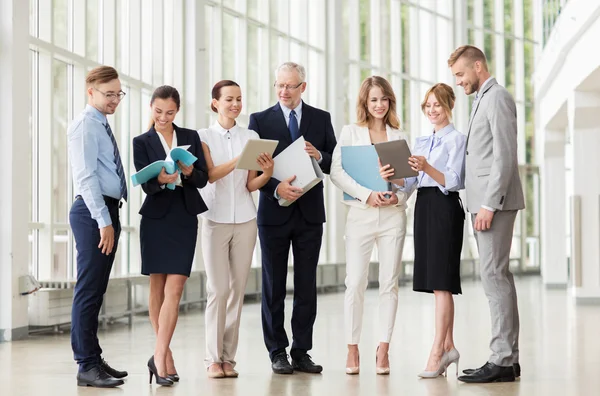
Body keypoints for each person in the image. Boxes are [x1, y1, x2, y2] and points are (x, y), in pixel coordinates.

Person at [248, 62, 337, 374]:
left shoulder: (321, 118)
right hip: (273, 213)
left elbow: (333, 162)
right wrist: (277, 188)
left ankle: (301, 351)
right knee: (273, 285)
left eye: (290, 85)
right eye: (279, 85)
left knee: (306, 286)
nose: (284, 91)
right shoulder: (259, 120)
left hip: (310, 214)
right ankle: (277, 352)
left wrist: (319, 156)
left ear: (303, 86)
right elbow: (253, 169)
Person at [448, 45, 525, 383]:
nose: (458, 82)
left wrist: (488, 205)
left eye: (461, 75)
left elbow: (504, 157)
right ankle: (507, 357)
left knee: (494, 277)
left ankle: (503, 360)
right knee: (496, 277)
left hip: (495, 204)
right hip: (485, 203)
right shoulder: (483, 98)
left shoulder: (497, 97)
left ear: (478, 66)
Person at [381, 83, 466, 378]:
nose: (432, 110)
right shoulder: (420, 141)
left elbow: (454, 180)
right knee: (437, 284)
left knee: (443, 283)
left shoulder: (457, 139)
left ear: (449, 106)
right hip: (424, 207)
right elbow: (409, 184)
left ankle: (437, 351)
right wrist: (392, 179)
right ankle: (449, 346)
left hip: (445, 207)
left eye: (438, 105)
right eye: (428, 105)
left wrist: (427, 167)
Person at [330, 76, 408, 375]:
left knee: (389, 283)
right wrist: (368, 195)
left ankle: (383, 349)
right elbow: (337, 172)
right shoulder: (350, 133)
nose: (379, 105)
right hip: (361, 215)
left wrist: (397, 195)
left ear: (390, 102)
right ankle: (352, 349)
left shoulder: (399, 135)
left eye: (384, 99)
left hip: (392, 216)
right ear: (365, 102)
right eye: (373, 99)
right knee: (355, 283)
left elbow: (410, 179)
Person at [132, 85, 209, 386]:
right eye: (158, 111)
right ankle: (166, 357)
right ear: (151, 107)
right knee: (157, 286)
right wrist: (161, 180)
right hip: (156, 218)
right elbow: (145, 183)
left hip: (184, 217)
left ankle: (159, 355)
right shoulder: (141, 141)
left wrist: (188, 172)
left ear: (178, 111)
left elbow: (202, 179)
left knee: (174, 289)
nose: (163, 117)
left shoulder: (190, 137)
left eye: (170, 112)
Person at [199, 80, 274, 378]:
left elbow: (250, 184)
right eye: (229, 99)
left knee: (237, 290)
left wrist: (266, 171)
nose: (235, 104)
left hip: (245, 220)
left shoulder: (251, 136)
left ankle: (228, 358)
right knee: (218, 289)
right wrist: (237, 160)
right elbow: (210, 175)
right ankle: (211, 358)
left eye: (239, 99)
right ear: (215, 102)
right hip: (214, 220)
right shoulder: (203, 136)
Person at [68, 65, 129, 388]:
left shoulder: (101, 124)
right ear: (90, 91)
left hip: (107, 210)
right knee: (89, 291)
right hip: (93, 213)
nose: (115, 100)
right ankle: (86, 364)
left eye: (118, 94)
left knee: (96, 290)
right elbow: (86, 178)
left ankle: (93, 356)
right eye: (109, 94)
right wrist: (103, 222)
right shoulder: (84, 127)